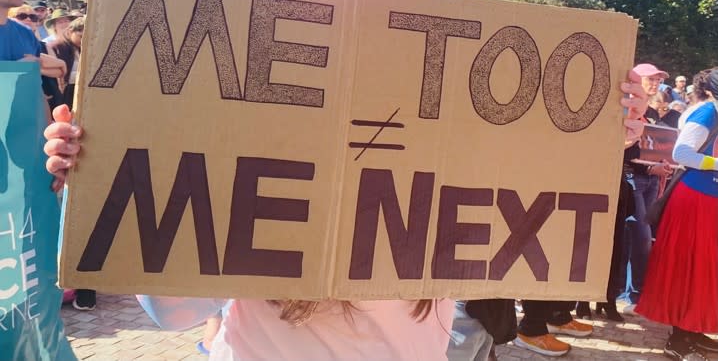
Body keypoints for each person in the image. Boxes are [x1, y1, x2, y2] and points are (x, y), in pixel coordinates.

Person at [43, 68, 649, 360]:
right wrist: (96, 178)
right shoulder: (254, 189)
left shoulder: (447, 183)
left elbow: (540, 233)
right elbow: (172, 310)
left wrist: (590, 144)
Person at [636, 67, 718, 361]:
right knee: (688, 266)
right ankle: (680, 337)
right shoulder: (707, 113)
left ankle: (693, 330)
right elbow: (682, 154)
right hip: (694, 200)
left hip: (708, 200)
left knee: (704, 270)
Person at [622, 64, 672, 311]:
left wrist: (664, 164)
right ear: (636, 80)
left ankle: (632, 294)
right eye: (650, 79)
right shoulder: (624, 108)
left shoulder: (651, 112)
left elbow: (654, 146)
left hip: (652, 180)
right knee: (640, 239)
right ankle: (633, 296)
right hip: (632, 179)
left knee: (642, 239)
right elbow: (623, 152)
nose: (654, 83)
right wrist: (650, 169)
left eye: (657, 80)